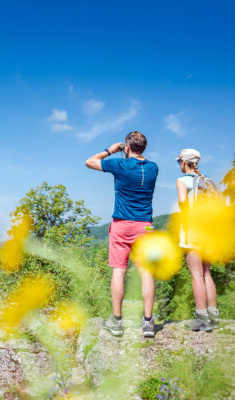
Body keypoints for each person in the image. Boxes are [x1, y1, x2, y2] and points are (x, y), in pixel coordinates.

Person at [85, 131, 159, 337]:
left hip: (122, 225)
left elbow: (90, 161)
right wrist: (126, 151)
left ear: (127, 147)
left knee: (119, 271)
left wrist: (111, 150)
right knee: (146, 272)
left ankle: (116, 321)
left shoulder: (120, 165)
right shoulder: (153, 168)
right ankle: (148, 323)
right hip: (145, 226)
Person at [175, 149, 220, 331]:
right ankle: (213, 315)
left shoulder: (182, 181)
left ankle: (201, 318)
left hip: (193, 231)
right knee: (206, 273)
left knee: (196, 274)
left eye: (179, 162)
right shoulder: (209, 182)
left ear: (184, 163)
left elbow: (183, 204)